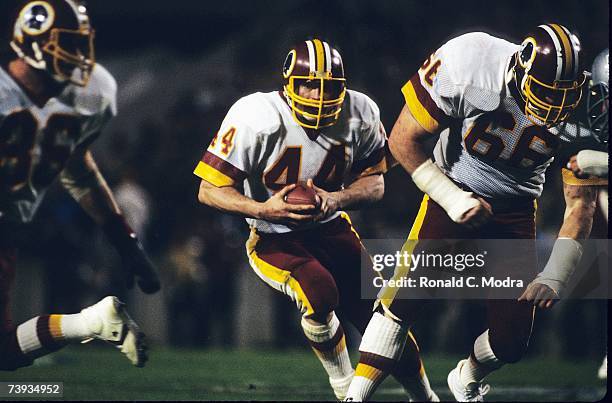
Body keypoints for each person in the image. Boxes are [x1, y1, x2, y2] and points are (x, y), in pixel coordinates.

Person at [344, 24, 603, 402]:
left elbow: (581, 204)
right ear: (521, 68)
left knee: (512, 342)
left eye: (565, 95)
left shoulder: (590, 109)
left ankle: (466, 375)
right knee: (404, 300)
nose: (554, 106)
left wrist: (557, 273)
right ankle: (354, 396)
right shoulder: (471, 62)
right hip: (455, 185)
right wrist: (452, 198)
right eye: (546, 92)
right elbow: (402, 140)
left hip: (515, 210)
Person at [195, 38, 438, 401]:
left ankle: (425, 396)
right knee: (319, 291)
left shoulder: (361, 110)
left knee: (383, 322)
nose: (319, 96)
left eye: (329, 87)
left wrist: (337, 198)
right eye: (309, 84)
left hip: (333, 228)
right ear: (288, 82)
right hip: (274, 235)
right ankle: (343, 386)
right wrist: (262, 209)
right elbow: (208, 189)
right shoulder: (255, 114)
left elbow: (375, 185)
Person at [0, 0, 160, 370]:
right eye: (67, 44)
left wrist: (124, 239)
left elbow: (77, 167)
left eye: (81, 43)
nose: (78, 56)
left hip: (8, 230)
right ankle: (90, 322)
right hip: (10, 229)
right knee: (5, 352)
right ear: (32, 42)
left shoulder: (92, 91)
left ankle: (92, 322)